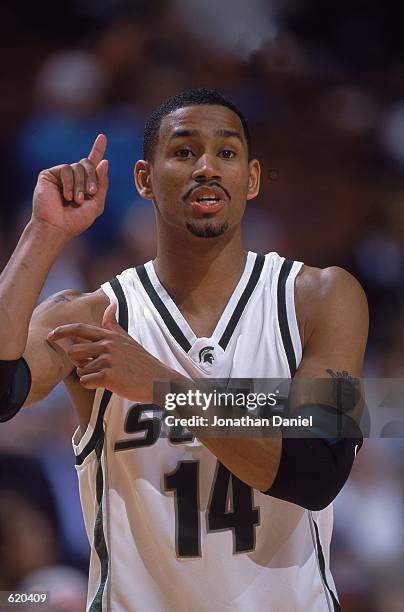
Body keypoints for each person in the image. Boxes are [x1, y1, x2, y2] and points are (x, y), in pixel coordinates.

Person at [0, 88, 368, 611]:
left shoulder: (323, 299)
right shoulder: (90, 316)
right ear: (144, 179)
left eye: (227, 152)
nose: (207, 168)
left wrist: (163, 389)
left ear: (253, 178)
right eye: (183, 151)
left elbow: (317, 472)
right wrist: (43, 233)